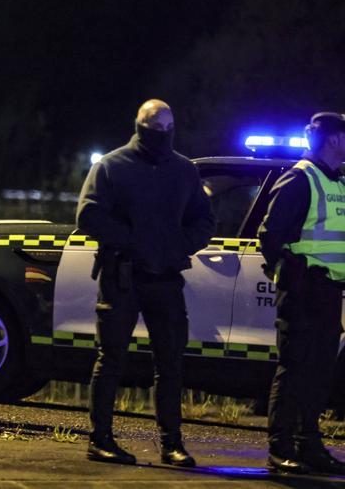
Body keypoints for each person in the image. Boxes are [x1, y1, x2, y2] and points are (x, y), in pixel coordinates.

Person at [75, 99, 214, 467]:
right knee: (111, 358)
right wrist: (135, 241)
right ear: (140, 126)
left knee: (170, 362)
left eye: (165, 129)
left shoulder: (183, 171)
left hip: (165, 277)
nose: (160, 135)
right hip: (121, 274)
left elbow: (203, 220)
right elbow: (88, 216)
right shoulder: (111, 166)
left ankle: (172, 444)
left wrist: (175, 246)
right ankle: (100, 439)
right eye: (154, 129)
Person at [258, 112, 345, 475]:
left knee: (319, 372)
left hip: (329, 293)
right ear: (334, 140)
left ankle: (309, 444)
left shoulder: (338, 182)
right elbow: (269, 236)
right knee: (294, 370)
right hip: (303, 291)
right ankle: (280, 448)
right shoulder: (300, 178)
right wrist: (291, 272)